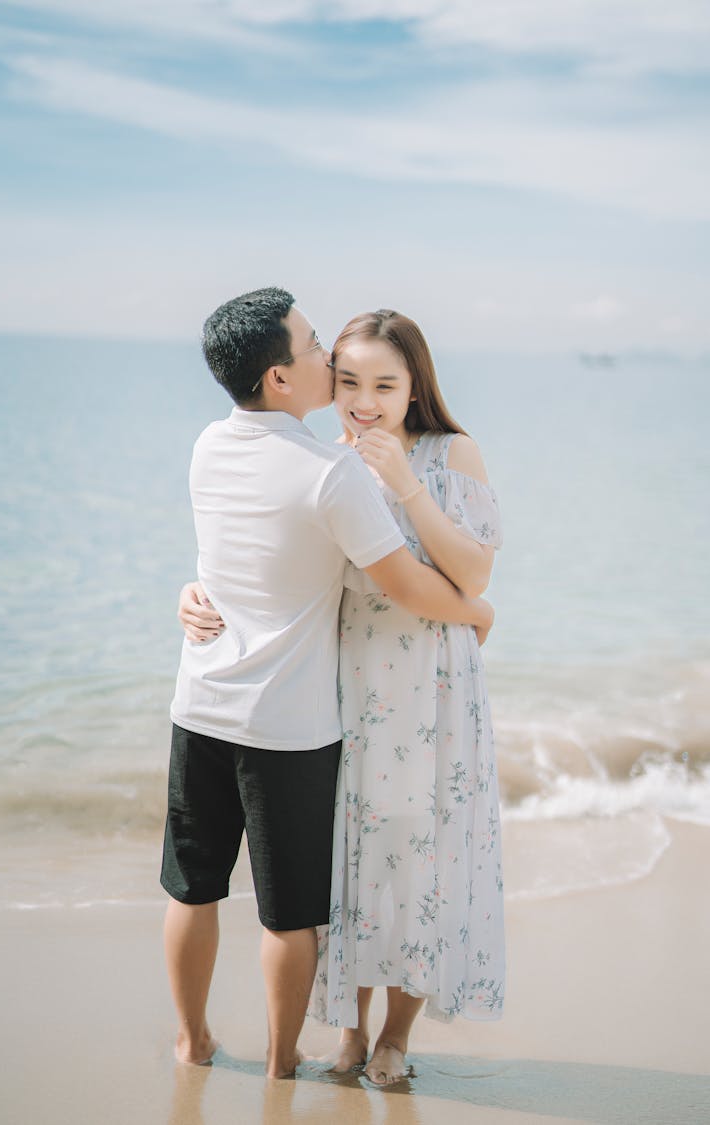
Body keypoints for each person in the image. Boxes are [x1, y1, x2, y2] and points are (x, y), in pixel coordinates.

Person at [163, 288, 494, 1080]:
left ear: (415, 384)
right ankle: (300, 1055)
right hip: (311, 700)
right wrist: (474, 611)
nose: (352, 390)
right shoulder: (326, 466)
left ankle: (217, 1041)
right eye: (331, 366)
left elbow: (245, 552)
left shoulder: (213, 443)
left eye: (383, 383)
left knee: (205, 886)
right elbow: (396, 582)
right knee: (311, 895)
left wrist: (188, 591)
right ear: (287, 378)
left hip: (281, 694)